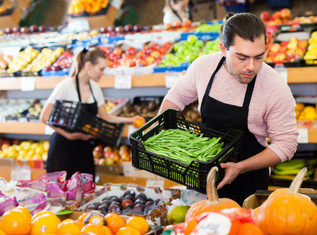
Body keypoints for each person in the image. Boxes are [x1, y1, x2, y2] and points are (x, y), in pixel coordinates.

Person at [159, 12, 298, 205]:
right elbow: (175, 98)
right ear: (223, 49)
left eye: (258, 57)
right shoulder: (203, 67)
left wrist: (240, 167)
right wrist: (163, 138)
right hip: (202, 177)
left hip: (249, 186)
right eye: (242, 57)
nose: (251, 66)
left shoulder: (274, 87)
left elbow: (286, 144)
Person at [40, 48, 144, 179]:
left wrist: (130, 120)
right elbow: (44, 117)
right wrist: (69, 135)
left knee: (85, 191)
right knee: (61, 193)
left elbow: (105, 116)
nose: (103, 73)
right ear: (88, 65)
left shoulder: (95, 88)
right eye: (101, 69)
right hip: (62, 149)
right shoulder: (65, 86)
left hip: (84, 149)